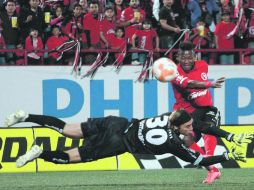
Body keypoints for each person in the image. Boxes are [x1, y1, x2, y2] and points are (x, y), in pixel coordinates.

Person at [4, 109, 253, 181]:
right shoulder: (173, 144)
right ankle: (40, 153)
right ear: (179, 128)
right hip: (116, 142)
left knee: (67, 128)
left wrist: (228, 136)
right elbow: (200, 160)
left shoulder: (171, 115)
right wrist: (226, 155)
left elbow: (197, 124)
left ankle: (26, 117)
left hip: (118, 122)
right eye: (188, 128)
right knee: (68, 157)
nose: (192, 129)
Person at [170, 41, 228, 184]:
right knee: (186, 141)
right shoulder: (174, 73)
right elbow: (190, 84)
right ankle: (212, 169)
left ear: (194, 56)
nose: (187, 61)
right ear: (178, 57)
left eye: (190, 57)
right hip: (187, 114)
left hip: (206, 108)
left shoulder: (203, 65)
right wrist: (210, 84)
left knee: (209, 129)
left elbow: (195, 83)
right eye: (183, 58)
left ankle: (210, 162)